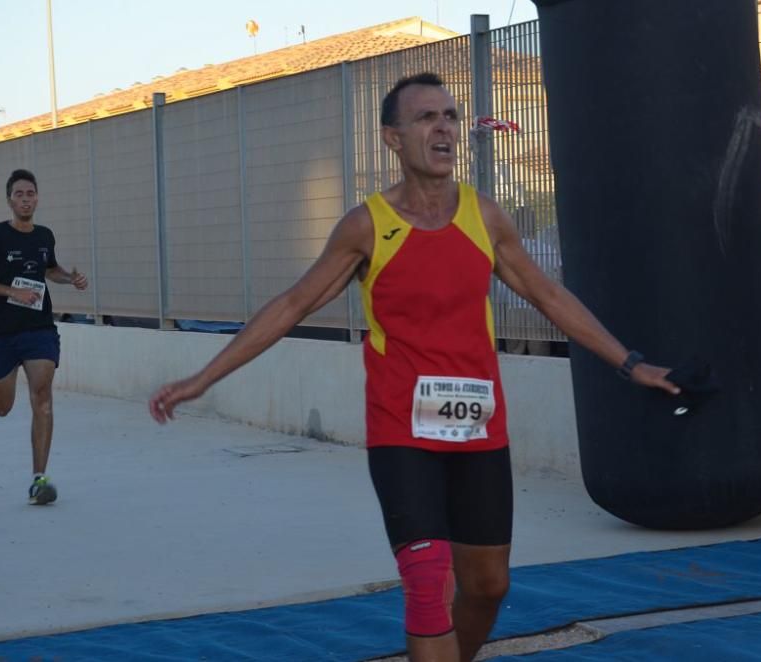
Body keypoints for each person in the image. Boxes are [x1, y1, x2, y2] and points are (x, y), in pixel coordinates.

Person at [148, 73, 679, 661]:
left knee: (487, 585)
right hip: (402, 429)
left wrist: (630, 364)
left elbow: (548, 297)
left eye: (449, 116)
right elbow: (294, 303)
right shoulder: (367, 226)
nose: (444, 127)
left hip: (478, 430)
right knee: (428, 581)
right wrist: (202, 378)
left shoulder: (485, 215)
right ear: (393, 139)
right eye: (427, 117)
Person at [0, 169, 89, 505]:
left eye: (30, 193)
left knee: (42, 395)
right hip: (0, 332)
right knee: (4, 407)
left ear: (37, 197)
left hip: (38, 330)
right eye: (19, 194)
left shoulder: (44, 235)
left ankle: (39, 479)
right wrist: (10, 292)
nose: (26, 199)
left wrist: (68, 278)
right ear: (9, 200)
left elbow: (48, 270)